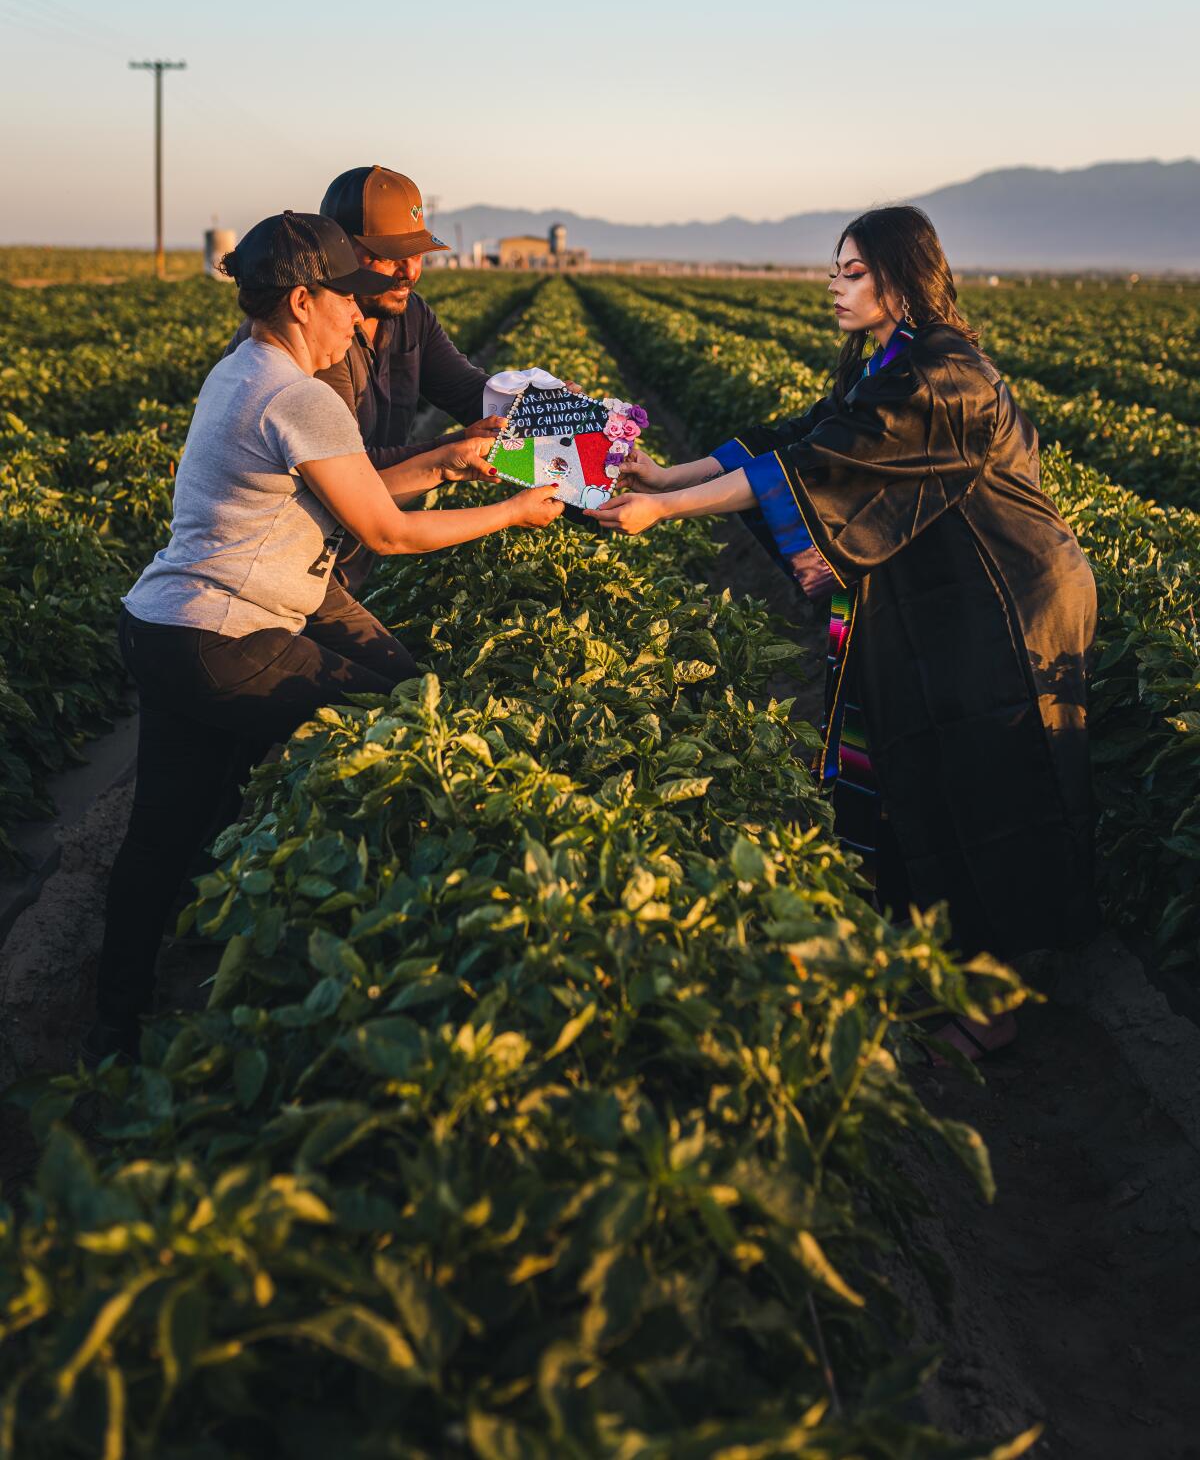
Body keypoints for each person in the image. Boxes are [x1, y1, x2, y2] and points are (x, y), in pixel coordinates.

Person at [591, 206, 1098, 1059]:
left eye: (853, 270)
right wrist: (668, 472)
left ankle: (989, 1006)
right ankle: (938, 973)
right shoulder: (897, 362)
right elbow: (800, 440)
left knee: (976, 783)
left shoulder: (946, 375)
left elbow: (817, 470)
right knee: (918, 764)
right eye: (837, 268)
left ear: (902, 277)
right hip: (940, 596)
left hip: (1004, 607)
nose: (836, 283)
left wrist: (665, 507)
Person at [85, 212, 562, 1063]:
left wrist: (449, 459)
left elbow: (356, 487)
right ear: (304, 301)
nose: (361, 317)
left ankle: (115, 1025)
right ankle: (339, 968)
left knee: (166, 827)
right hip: (226, 636)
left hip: (165, 625)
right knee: (397, 736)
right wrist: (518, 509)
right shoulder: (303, 395)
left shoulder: (244, 369)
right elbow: (385, 532)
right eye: (348, 299)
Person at [227, 165, 502, 603]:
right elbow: (353, 471)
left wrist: (545, 410)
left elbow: (470, 392)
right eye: (390, 256)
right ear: (338, 248)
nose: (409, 272)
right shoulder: (306, 338)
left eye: (417, 256)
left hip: (336, 566)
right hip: (274, 571)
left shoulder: (410, 314)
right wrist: (454, 450)